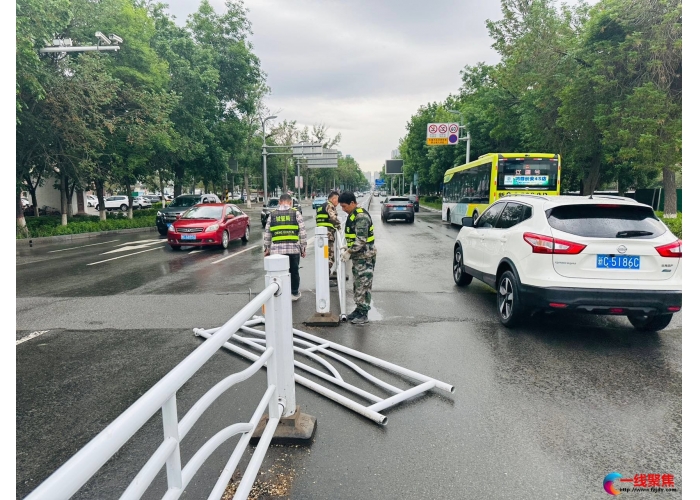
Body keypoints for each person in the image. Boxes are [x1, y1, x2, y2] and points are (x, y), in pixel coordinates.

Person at [338, 191, 376, 325]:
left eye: (344, 206)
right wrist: (348, 248)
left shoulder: (361, 217)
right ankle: (359, 309)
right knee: (358, 284)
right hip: (358, 257)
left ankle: (363, 313)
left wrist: (349, 251)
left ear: (352, 203)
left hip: (365, 257)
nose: (343, 209)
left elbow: (361, 239)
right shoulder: (352, 215)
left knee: (364, 285)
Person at [263, 193, 307, 301]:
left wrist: (267, 249)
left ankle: (279, 293)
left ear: (279, 202)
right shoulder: (296, 213)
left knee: (277, 273)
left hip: (276, 252)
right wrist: (303, 248)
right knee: (294, 271)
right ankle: (294, 293)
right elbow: (302, 232)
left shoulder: (272, 214)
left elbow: (267, 233)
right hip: (293, 250)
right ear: (291, 202)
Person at [315, 191, 342, 278]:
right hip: (328, 236)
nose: (338, 203)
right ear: (333, 199)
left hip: (320, 237)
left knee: (323, 256)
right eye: (337, 200)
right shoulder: (330, 205)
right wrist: (339, 227)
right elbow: (333, 217)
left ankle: (324, 276)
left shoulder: (320, 207)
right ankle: (325, 278)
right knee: (329, 257)